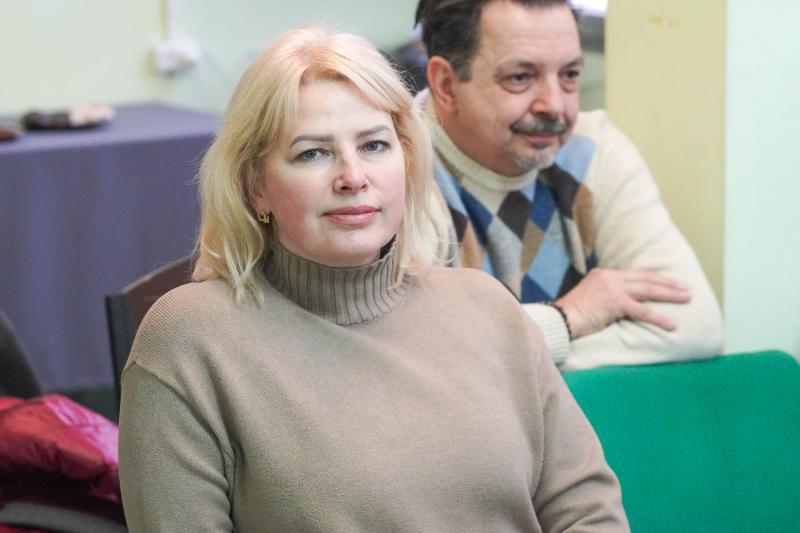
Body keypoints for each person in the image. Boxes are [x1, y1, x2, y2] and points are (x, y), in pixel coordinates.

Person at [118, 26, 629, 532]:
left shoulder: (488, 307)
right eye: (312, 153)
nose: (353, 176)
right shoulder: (189, 340)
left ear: (407, 159)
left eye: (375, 145)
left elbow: (585, 508)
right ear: (255, 186)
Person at [414, 0, 724, 371]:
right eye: (520, 77)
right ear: (446, 85)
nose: (555, 106)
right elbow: (423, 362)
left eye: (570, 75)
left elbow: (694, 325)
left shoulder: (593, 150)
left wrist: (512, 365)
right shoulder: (392, 172)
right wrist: (569, 317)